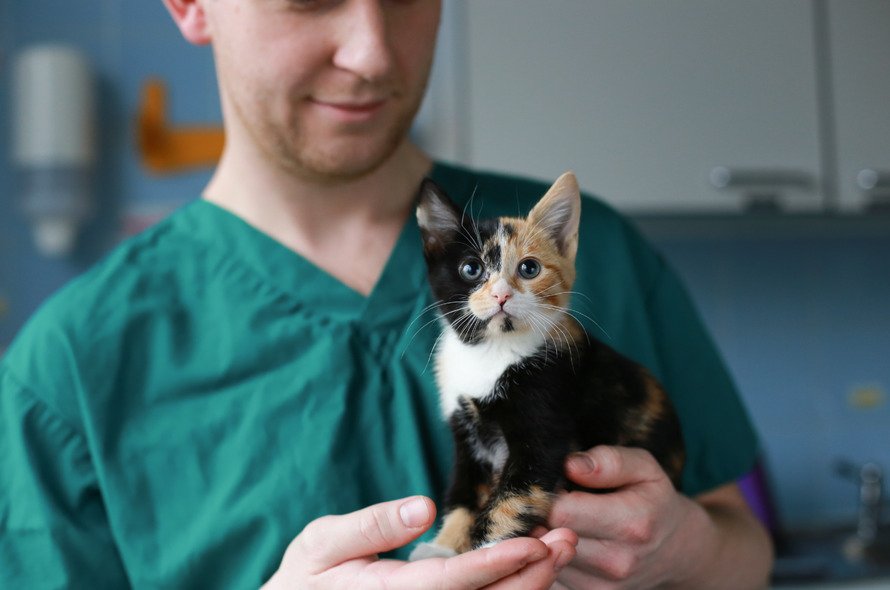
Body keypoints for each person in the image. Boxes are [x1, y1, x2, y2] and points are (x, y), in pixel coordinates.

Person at [0, 0, 774, 588]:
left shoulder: (586, 257)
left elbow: (745, 544)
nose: (372, 53)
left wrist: (690, 549)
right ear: (189, 5)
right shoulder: (67, 367)